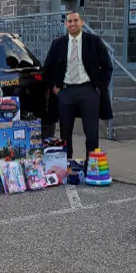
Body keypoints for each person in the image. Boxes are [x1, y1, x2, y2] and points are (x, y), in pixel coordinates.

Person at [43, 10, 113, 166]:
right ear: (65, 24)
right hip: (65, 92)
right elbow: (47, 69)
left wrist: (99, 88)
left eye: (75, 20)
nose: (72, 24)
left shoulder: (94, 41)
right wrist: (55, 89)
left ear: (81, 22)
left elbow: (107, 66)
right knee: (65, 131)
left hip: (88, 91)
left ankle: (91, 165)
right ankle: (66, 164)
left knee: (91, 131)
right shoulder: (58, 44)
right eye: (69, 21)